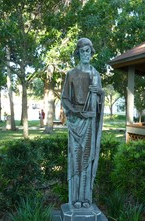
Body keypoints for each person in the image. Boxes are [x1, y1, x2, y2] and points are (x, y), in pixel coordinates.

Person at [61, 38, 105, 209]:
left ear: (91, 53)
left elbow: (100, 102)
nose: (85, 54)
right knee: (76, 158)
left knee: (87, 158)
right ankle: (75, 199)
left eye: (88, 51)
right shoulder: (71, 74)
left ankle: (85, 198)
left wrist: (100, 93)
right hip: (75, 122)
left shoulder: (95, 75)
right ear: (78, 53)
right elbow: (65, 99)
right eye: (82, 51)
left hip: (89, 123)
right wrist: (76, 112)